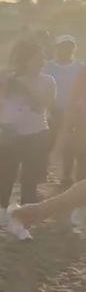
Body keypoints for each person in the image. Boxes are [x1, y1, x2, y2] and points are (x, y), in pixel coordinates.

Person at [0, 40, 57, 237]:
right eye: (38, 57)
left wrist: (25, 87)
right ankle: (2, 210)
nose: (42, 61)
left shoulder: (48, 80)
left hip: (36, 134)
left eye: (43, 57)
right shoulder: (11, 79)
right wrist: (6, 77)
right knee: (6, 174)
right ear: (26, 60)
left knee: (29, 178)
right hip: (9, 134)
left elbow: (43, 105)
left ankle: (24, 220)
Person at [44, 36, 84, 188]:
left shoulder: (80, 67)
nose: (66, 50)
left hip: (74, 111)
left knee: (71, 145)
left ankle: (67, 175)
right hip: (53, 110)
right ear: (57, 48)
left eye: (69, 46)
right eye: (62, 46)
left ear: (74, 49)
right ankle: (41, 171)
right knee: (49, 143)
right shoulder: (48, 66)